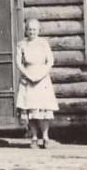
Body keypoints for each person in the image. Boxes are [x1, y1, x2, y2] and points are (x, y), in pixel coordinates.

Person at [15, 18, 58, 149]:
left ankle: (45, 137)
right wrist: (27, 75)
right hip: (28, 77)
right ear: (26, 30)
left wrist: (41, 75)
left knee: (43, 109)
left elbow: (50, 61)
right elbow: (18, 62)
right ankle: (34, 137)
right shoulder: (21, 44)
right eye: (29, 29)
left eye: (34, 29)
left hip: (42, 78)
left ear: (38, 30)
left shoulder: (43, 44)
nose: (31, 32)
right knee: (31, 109)